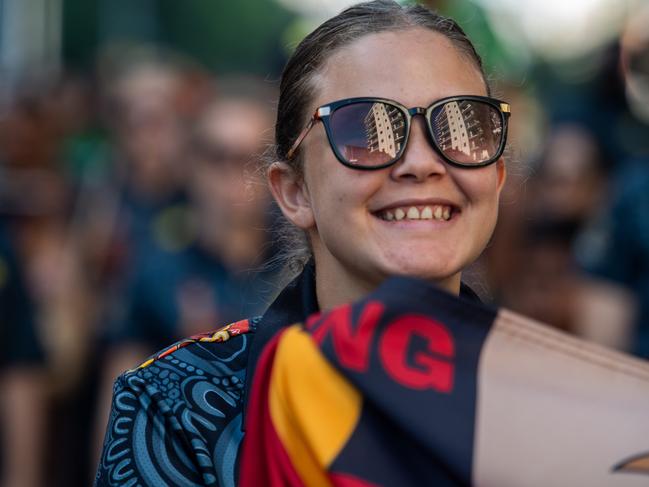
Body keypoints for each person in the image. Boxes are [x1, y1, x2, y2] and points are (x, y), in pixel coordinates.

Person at [95, 1, 509, 485]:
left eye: (461, 123)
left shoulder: (565, 403)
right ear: (294, 192)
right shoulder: (177, 406)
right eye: (366, 130)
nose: (422, 162)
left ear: (496, 176)